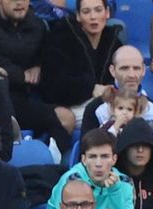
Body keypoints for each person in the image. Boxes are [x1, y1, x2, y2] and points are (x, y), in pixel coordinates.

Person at [0, 0, 71, 154]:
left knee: (66, 119)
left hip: (22, 98)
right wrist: (22, 75)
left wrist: (40, 67)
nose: (19, 2)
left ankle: (51, 165)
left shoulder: (36, 24)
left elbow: (50, 57)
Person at [34, 130, 138, 209]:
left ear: (114, 159)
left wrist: (115, 192)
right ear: (84, 159)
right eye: (92, 156)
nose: (98, 164)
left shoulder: (124, 184)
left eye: (104, 156)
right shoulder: (72, 180)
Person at [39, 0, 122, 133]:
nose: (93, 17)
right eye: (86, 11)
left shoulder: (112, 40)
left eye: (98, 10)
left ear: (107, 13)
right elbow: (53, 86)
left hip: (105, 104)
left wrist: (109, 91)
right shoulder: (61, 38)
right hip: (70, 108)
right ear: (78, 16)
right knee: (110, 117)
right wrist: (91, 88)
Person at [79, 45, 153, 138]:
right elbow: (86, 149)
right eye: (124, 68)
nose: (131, 75)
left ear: (143, 70)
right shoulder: (95, 109)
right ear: (112, 71)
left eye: (136, 68)